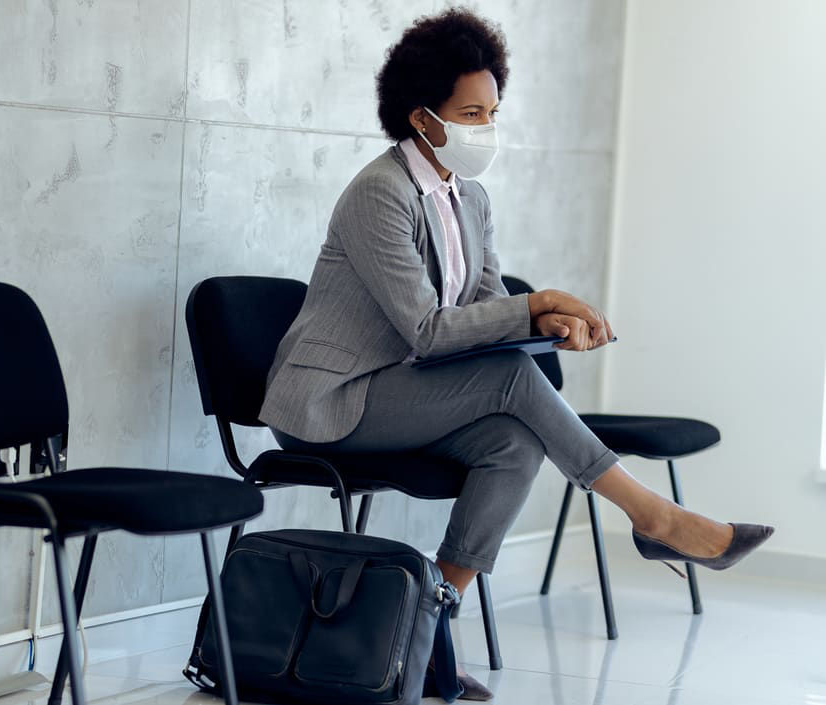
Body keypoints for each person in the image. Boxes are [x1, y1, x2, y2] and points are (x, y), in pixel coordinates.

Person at [257, 7, 774, 700]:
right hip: (332, 402)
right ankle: (653, 516)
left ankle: (426, 627)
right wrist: (536, 301)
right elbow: (432, 331)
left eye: (492, 112)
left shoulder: (468, 197)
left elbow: (485, 311)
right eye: (471, 113)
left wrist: (553, 321)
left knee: (513, 439)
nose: (485, 129)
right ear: (422, 117)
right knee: (510, 380)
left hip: (401, 390)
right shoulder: (378, 195)